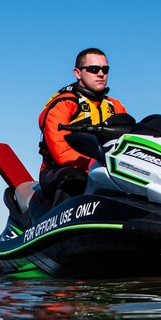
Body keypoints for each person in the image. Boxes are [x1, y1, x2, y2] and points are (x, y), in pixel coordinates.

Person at [37, 48, 128, 207]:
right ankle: (63, 229)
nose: (101, 74)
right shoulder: (63, 104)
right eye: (93, 69)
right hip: (60, 171)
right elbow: (61, 153)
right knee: (76, 179)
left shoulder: (115, 106)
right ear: (78, 73)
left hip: (104, 167)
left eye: (105, 69)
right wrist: (98, 161)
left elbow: (131, 138)